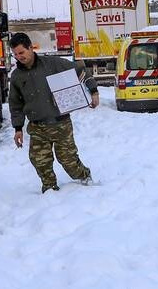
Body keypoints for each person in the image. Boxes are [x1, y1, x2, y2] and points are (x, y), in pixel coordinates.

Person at [8, 32, 99, 193]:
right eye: (15, 54)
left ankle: (85, 177)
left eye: (21, 52)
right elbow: (15, 105)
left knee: (68, 161)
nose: (18, 57)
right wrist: (18, 128)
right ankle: (50, 189)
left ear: (30, 48)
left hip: (60, 124)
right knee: (40, 161)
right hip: (37, 127)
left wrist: (93, 91)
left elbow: (80, 69)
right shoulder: (16, 76)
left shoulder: (52, 64)